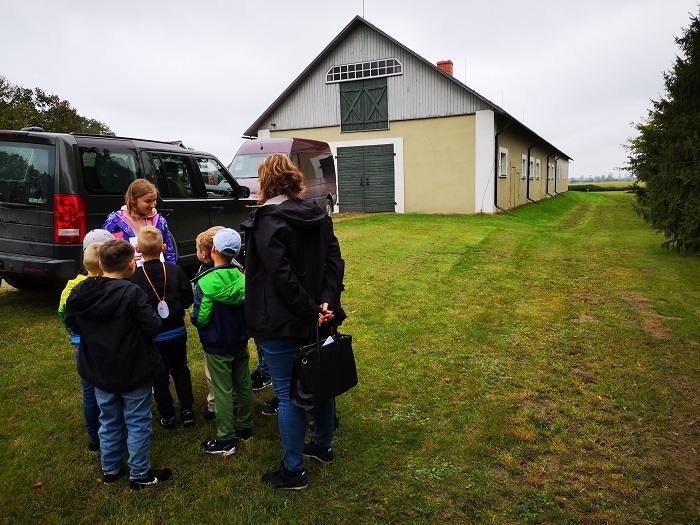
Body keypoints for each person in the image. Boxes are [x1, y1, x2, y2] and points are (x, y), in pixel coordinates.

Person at [242, 153, 346, 490]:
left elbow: (282, 276)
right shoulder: (317, 214)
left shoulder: (268, 220)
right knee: (320, 381)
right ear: (294, 180)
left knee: (289, 393)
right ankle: (323, 445)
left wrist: (317, 304)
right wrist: (322, 303)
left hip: (284, 319)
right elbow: (333, 261)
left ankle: (294, 470)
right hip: (315, 314)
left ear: (265, 183)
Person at [64, 239, 172, 490]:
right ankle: (139, 474)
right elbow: (154, 325)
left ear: (100, 264)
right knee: (136, 421)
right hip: (133, 368)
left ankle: (110, 468)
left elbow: (72, 322)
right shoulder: (132, 293)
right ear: (131, 266)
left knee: (109, 419)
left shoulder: (81, 291)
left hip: (101, 368)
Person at [191, 228, 253, 456]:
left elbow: (201, 316)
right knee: (243, 383)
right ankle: (245, 428)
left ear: (213, 249)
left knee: (223, 390)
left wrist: (195, 319)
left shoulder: (205, 281)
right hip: (239, 340)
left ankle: (225, 437)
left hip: (217, 344)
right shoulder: (241, 276)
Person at [131, 226, 195, 430]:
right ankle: (187, 410)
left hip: (153, 335)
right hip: (176, 330)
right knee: (180, 369)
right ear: (164, 247)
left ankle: (167, 415)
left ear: (138, 249)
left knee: (158, 375)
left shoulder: (135, 277)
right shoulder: (175, 270)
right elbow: (188, 299)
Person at [57, 229, 114, 452]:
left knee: (89, 390)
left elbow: (63, 313)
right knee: (109, 388)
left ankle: (95, 439)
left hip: (82, 343)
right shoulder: (113, 286)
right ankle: (114, 431)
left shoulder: (72, 286)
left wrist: (76, 333)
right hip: (107, 344)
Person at [102, 179, 176, 264]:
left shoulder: (160, 221)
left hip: (156, 273)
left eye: (154, 200)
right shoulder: (115, 221)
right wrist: (124, 259)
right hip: (127, 274)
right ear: (133, 200)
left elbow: (169, 252)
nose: (152, 205)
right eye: (147, 201)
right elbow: (104, 252)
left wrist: (171, 272)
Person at [193, 226, 224, 421]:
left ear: (204, 253)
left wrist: (196, 321)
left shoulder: (204, 277)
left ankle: (214, 406)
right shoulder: (237, 270)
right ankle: (236, 398)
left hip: (213, 334)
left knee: (213, 373)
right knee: (237, 369)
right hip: (236, 332)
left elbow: (202, 311)